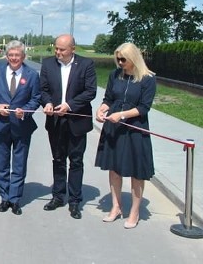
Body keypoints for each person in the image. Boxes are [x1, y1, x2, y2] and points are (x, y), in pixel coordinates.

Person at [95, 42, 156, 229]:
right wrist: (101, 109)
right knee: (114, 168)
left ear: (134, 58)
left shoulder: (148, 79)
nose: (120, 62)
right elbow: (108, 99)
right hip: (114, 128)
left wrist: (121, 115)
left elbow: (144, 108)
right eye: (118, 59)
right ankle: (116, 207)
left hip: (135, 129)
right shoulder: (115, 75)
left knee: (136, 172)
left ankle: (134, 212)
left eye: (123, 59)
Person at [39, 33, 97, 219]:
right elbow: (43, 89)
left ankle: (74, 200)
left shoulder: (86, 65)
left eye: (62, 49)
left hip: (76, 122)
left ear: (73, 49)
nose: (58, 52)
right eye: (56, 48)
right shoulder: (48, 64)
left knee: (76, 161)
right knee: (58, 159)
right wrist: (47, 103)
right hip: (55, 121)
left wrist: (69, 105)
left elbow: (90, 91)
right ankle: (58, 196)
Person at [0, 40, 40, 215]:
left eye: (17, 55)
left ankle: (15, 199)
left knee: (19, 165)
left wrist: (25, 111)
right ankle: (4, 197)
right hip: (1, 126)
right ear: (6, 56)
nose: (13, 58)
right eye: (11, 55)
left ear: (23, 57)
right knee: (2, 164)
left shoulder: (32, 75)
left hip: (22, 126)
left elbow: (36, 98)